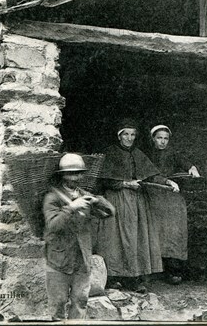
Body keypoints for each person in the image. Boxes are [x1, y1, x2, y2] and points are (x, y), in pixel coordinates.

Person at [95, 119, 179, 293]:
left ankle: (134, 279)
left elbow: (151, 175)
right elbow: (105, 180)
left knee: (135, 238)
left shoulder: (139, 154)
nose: (129, 138)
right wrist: (125, 183)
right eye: (126, 134)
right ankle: (114, 278)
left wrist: (167, 181)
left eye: (132, 134)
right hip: (117, 199)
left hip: (136, 202)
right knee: (115, 239)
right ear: (119, 136)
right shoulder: (110, 153)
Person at [43, 153, 115, 320]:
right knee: (58, 304)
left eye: (78, 173)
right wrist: (71, 207)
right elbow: (53, 225)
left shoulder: (84, 194)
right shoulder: (52, 197)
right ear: (62, 175)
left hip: (82, 259)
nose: (75, 177)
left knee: (80, 302)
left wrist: (97, 201)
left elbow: (110, 213)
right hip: (58, 259)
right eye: (70, 173)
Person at [146, 124, 200, 284]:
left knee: (174, 232)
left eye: (165, 138)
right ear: (153, 139)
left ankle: (173, 270)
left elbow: (183, 161)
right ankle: (154, 270)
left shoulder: (173, 153)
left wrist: (192, 168)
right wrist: (167, 181)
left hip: (171, 197)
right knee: (155, 232)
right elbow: (148, 174)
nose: (162, 142)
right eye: (159, 138)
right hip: (153, 196)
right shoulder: (147, 155)